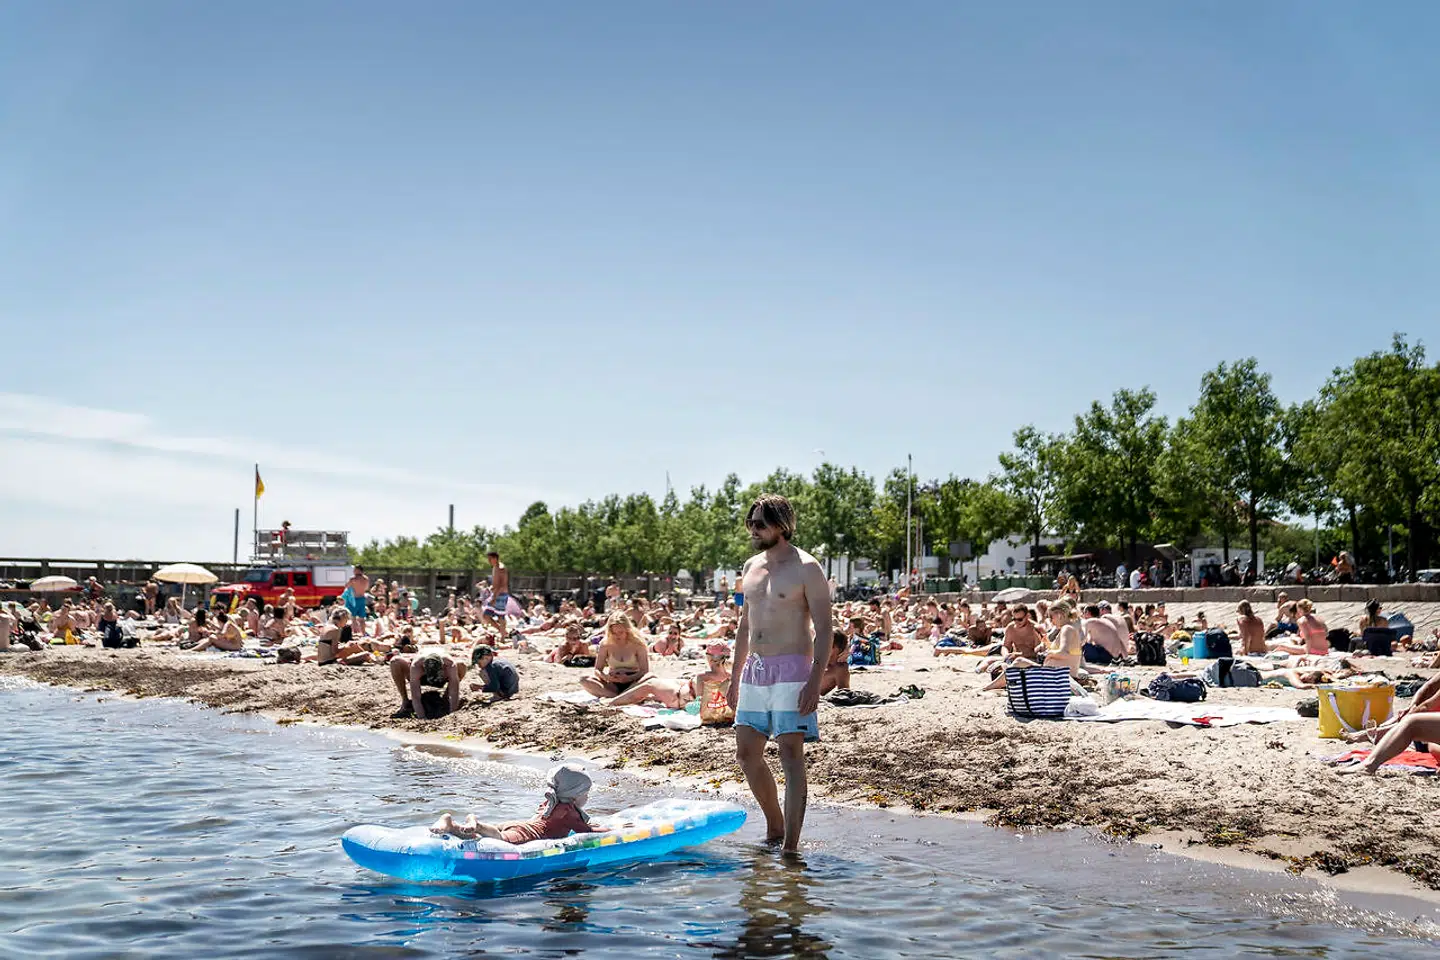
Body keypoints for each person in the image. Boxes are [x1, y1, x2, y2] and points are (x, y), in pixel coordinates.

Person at [727, 494, 831, 852]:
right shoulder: (750, 566)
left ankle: (790, 848)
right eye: (750, 523)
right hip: (755, 671)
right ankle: (774, 825)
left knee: (790, 755)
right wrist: (733, 677)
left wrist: (815, 681)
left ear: (781, 526)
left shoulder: (807, 567)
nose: (753, 530)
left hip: (793, 670)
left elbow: (825, 628)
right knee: (746, 753)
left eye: (760, 524)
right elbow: (744, 625)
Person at [429, 764, 609, 843]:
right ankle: (477, 824)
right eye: (585, 793)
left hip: (521, 824)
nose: (587, 797)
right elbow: (587, 831)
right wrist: (611, 829)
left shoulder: (551, 802)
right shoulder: (568, 811)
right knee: (500, 840)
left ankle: (452, 823)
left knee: (489, 834)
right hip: (529, 833)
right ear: (575, 795)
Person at [580, 612, 653, 697]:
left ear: (627, 629)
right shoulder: (605, 644)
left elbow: (644, 671)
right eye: (614, 633)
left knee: (651, 677)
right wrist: (606, 677)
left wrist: (628, 678)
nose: (617, 636)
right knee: (584, 679)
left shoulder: (638, 644)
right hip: (613, 682)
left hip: (634, 682)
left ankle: (621, 696)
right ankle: (617, 696)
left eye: (620, 632)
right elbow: (597, 669)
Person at [390, 646, 467, 719]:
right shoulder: (416, 666)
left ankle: (445, 698)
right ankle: (405, 700)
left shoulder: (450, 664)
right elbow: (416, 696)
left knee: (461, 665)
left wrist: (452, 714)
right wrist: (422, 717)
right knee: (395, 661)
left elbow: (454, 693)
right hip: (422, 678)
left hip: (441, 679)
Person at [344, 565, 370, 637]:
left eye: (355, 570)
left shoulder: (353, 579)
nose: (353, 571)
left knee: (353, 618)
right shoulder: (366, 579)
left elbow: (347, 586)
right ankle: (363, 633)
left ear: (358, 570)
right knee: (362, 618)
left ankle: (354, 633)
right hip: (362, 599)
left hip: (354, 599)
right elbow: (367, 588)